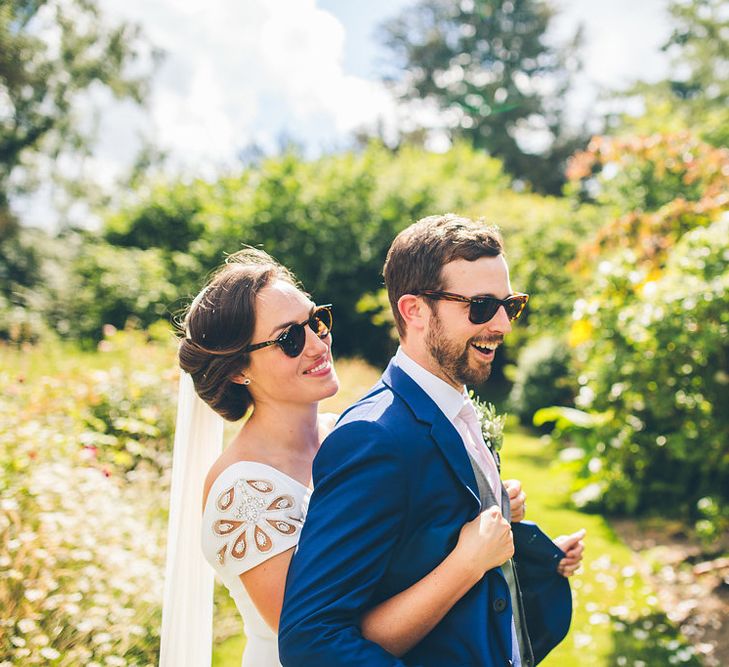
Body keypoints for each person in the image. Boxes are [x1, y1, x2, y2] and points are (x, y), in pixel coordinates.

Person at [157, 247, 581, 667]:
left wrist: (487, 506)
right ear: (237, 370)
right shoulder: (244, 493)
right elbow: (323, 641)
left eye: (316, 321)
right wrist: (464, 564)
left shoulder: (347, 434)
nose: (317, 344)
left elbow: (394, 553)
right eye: (289, 338)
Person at [279, 214, 585, 667]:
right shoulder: (372, 438)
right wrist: (468, 561)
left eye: (509, 304)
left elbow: (428, 543)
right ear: (415, 311)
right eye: (480, 306)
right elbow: (311, 640)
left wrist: (533, 547)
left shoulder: (454, 406)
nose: (502, 325)